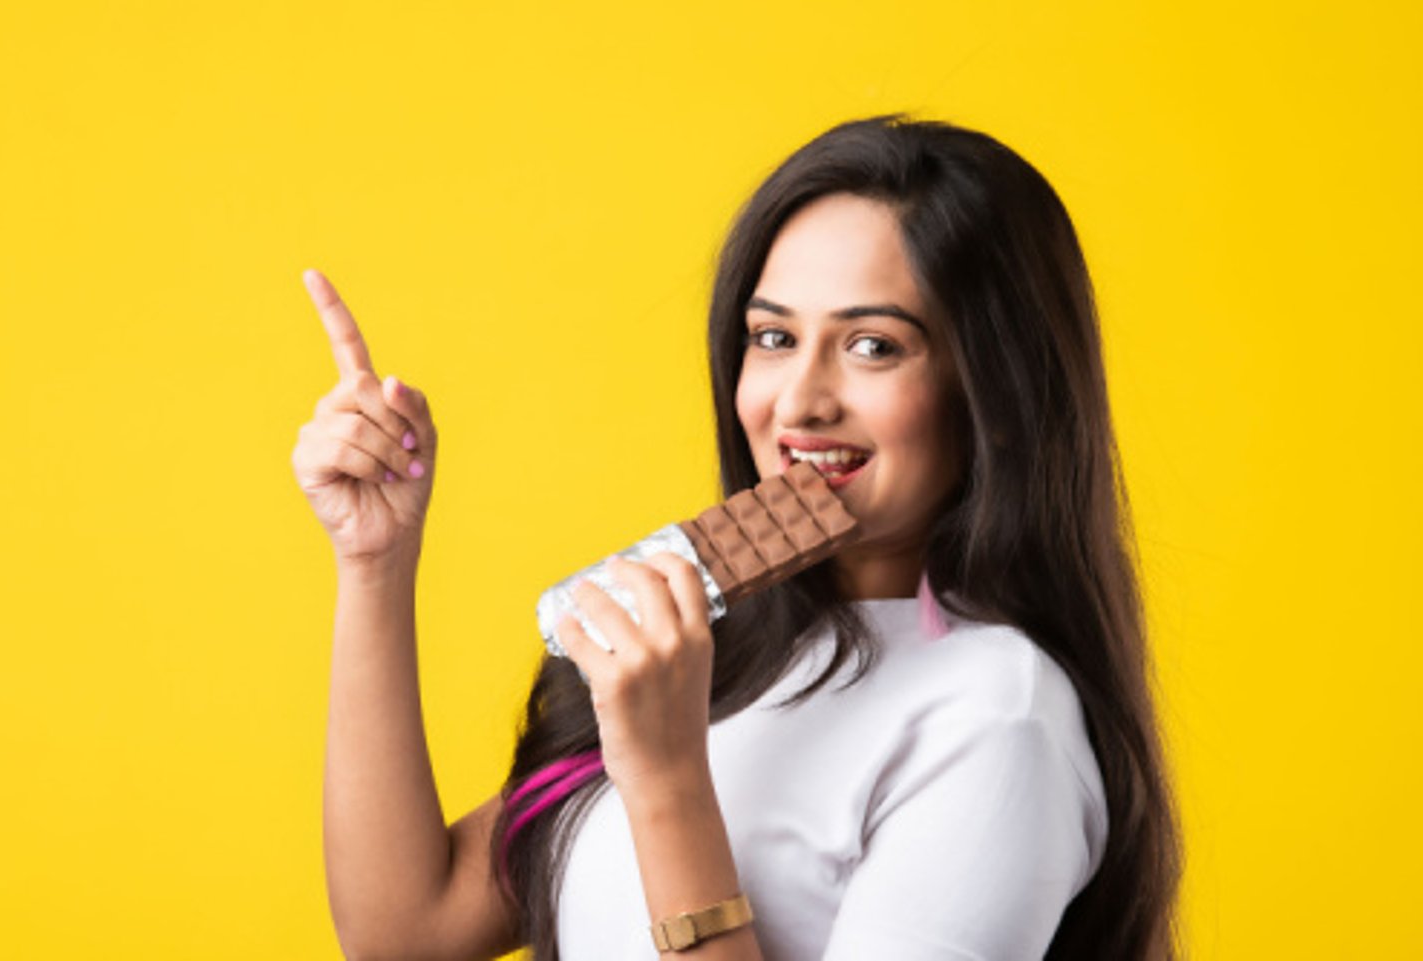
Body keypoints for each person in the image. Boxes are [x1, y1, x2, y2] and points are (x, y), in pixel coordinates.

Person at [292, 114, 1183, 961]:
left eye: (873, 346)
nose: (798, 401)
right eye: (773, 336)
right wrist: (376, 562)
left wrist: (669, 778)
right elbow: (410, 929)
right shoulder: (718, 650)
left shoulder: (998, 712)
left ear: (994, 388)